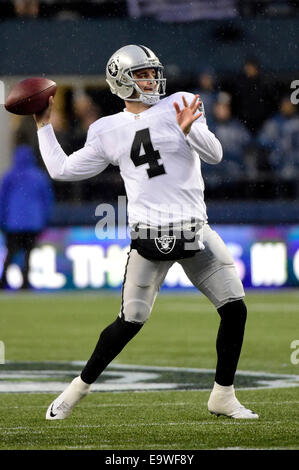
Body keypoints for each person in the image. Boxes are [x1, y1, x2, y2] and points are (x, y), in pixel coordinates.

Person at [34, 45, 258, 420]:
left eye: (152, 72)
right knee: (130, 321)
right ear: (122, 81)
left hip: (194, 231)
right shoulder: (106, 129)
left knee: (235, 309)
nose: (152, 79)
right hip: (149, 238)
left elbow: (215, 154)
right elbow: (62, 170)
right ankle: (77, 389)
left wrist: (190, 131)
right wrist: (43, 125)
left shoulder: (181, 103)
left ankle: (223, 395)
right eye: (141, 74)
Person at [0, 145, 54, 289]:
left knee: (11, 252)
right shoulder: (39, 176)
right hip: (33, 222)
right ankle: (25, 282)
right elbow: (47, 200)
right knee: (28, 254)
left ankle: (3, 280)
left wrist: (3, 219)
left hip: (13, 223)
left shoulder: (10, 175)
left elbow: (2, 199)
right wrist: (45, 219)